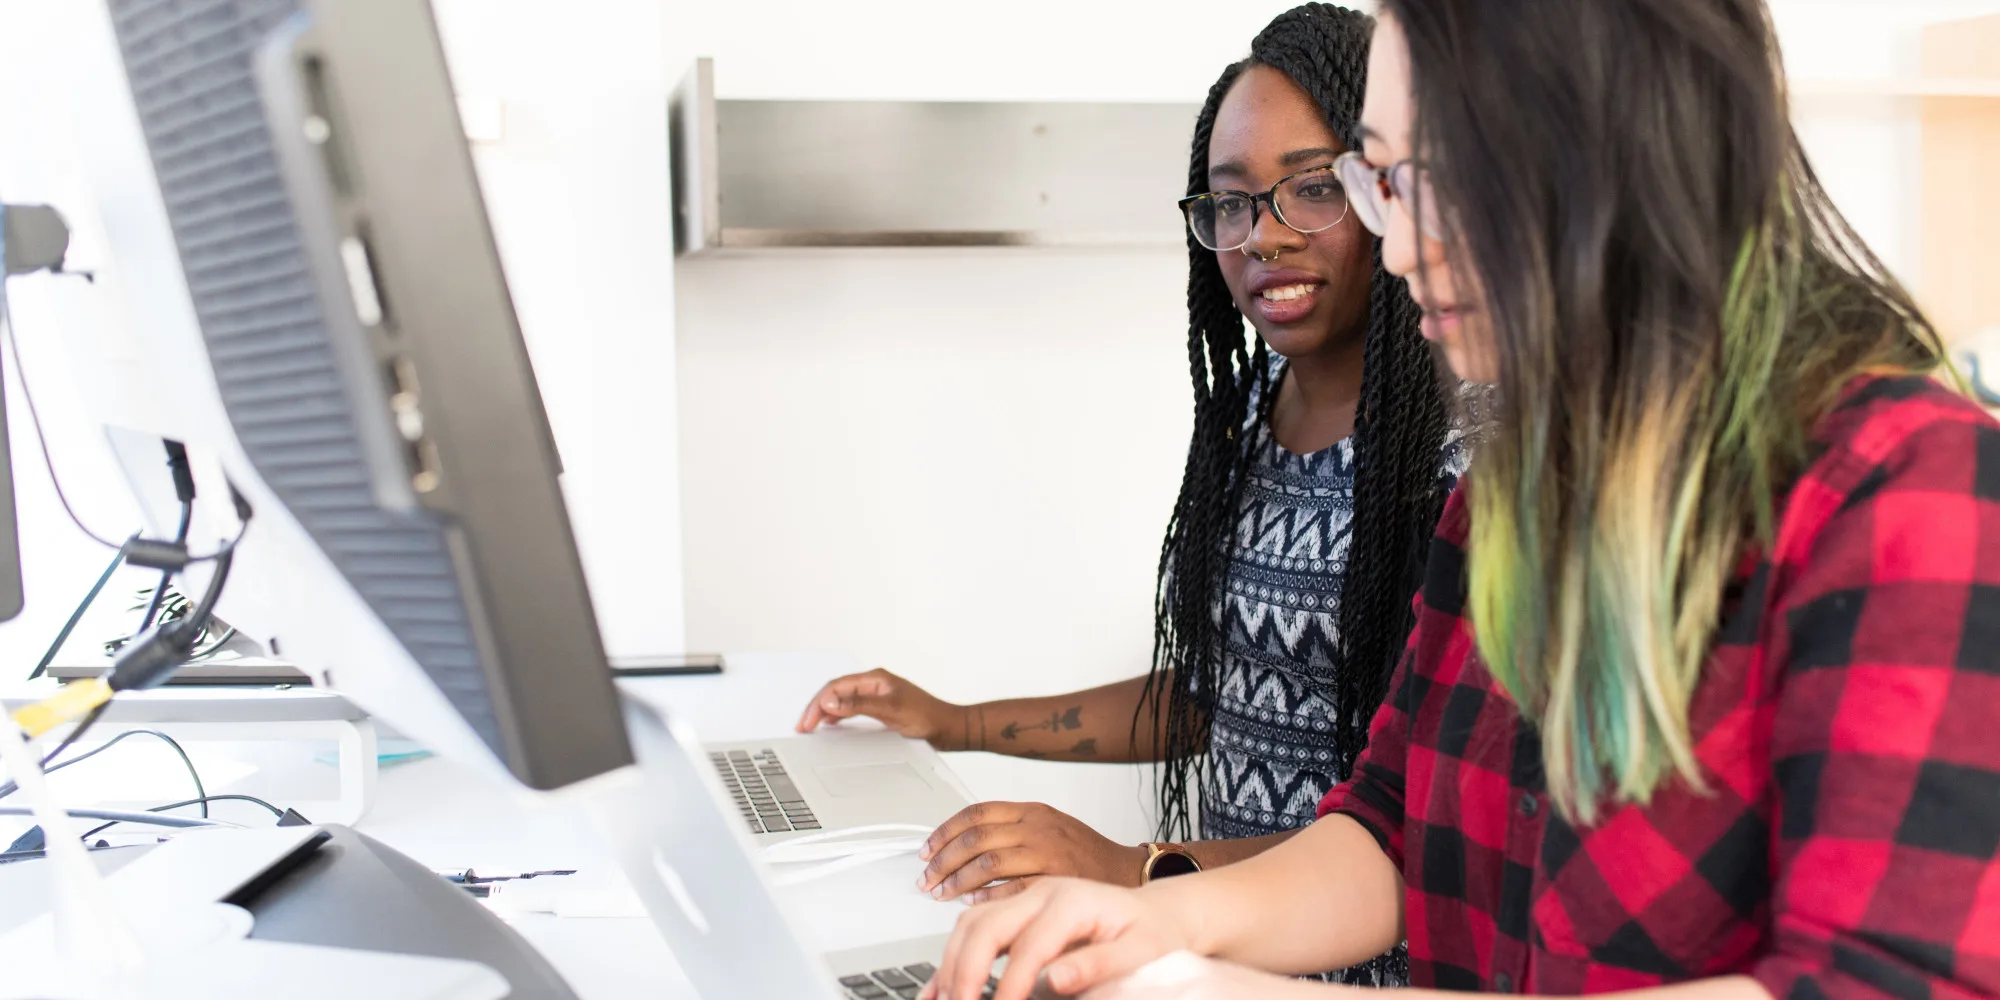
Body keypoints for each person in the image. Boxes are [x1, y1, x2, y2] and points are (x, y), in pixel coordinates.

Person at [920, 1, 2000, 998]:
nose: (1391, 244)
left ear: (1596, 150)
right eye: (1375, 180)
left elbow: (1876, 980)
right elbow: (1386, 825)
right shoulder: (1509, 489)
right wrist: (1154, 919)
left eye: (1420, 178)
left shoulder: (1909, 488)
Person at [796, 5, 1460, 984]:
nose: (1262, 235)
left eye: (1311, 189)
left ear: (1382, 188)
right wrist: (957, 722)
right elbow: (1211, 697)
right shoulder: (1242, 419)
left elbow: (1408, 826)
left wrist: (1132, 873)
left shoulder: (1455, 459)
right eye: (1230, 203)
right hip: (1206, 950)